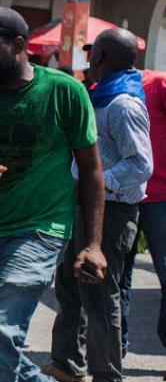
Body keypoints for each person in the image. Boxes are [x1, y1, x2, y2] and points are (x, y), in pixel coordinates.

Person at [0, 7, 107, 382]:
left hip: (43, 227)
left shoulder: (65, 91)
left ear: (18, 45)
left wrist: (94, 243)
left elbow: (91, 170)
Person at [43, 29, 153, 382]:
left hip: (112, 212)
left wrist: (97, 185)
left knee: (101, 295)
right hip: (86, 205)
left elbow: (141, 165)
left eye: (93, 53)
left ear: (102, 56)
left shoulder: (123, 104)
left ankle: (106, 374)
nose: (88, 60)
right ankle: (67, 364)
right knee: (70, 286)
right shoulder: (101, 96)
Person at [121, 67, 166, 354]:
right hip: (120, 200)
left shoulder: (158, 83)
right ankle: (115, 350)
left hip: (160, 197)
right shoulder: (99, 88)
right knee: (116, 279)